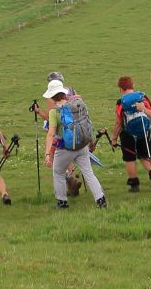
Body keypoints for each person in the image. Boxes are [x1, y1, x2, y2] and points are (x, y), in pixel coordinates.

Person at [44, 79, 107, 209]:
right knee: (88, 173)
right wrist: (90, 142)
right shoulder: (77, 105)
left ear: (51, 96)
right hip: (82, 146)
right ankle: (100, 199)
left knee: (58, 173)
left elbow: (51, 134)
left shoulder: (54, 112)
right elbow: (87, 124)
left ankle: (62, 202)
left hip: (65, 148)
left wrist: (47, 153)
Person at [111, 76, 151, 193]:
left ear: (120, 89)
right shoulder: (142, 97)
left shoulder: (121, 102)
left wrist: (114, 138)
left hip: (127, 133)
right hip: (145, 130)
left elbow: (119, 122)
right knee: (146, 155)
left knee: (129, 158)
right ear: (132, 86)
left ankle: (134, 184)